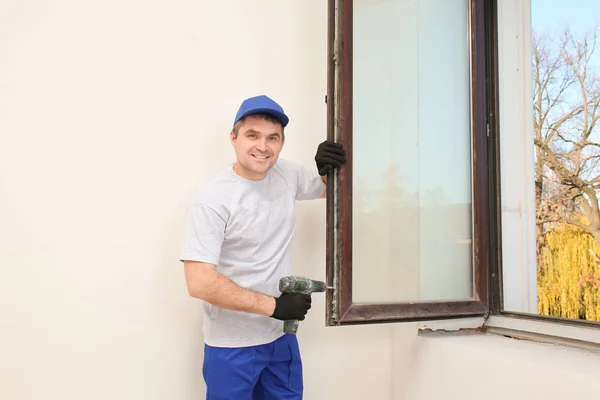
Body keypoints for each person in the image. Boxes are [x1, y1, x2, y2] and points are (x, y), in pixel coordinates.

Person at [179, 94, 346, 399]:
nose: (262, 146)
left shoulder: (286, 174)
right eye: (252, 135)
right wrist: (274, 307)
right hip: (231, 346)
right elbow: (199, 282)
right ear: (234, 138)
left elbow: (324, 189)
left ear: (282, 142)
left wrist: (326, 167)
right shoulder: (212, 199)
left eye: (273, 138)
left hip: (279, 339)